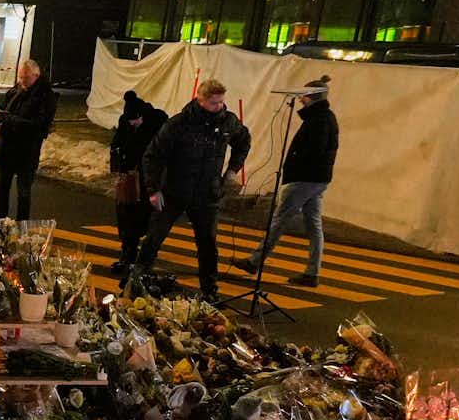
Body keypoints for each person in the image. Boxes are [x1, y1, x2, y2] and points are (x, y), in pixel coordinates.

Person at [125, 79, 251, 302]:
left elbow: (243, 140)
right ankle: (136, 279)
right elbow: (152, 156)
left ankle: (209, 290)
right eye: (214, 103)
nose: (220, 106)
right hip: (175, 190)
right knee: (154, 237)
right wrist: (153, 190)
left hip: (207, 193)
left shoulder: (227, 122)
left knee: (207, 243)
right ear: (200, 100)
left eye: (222, 102)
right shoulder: (179, 124)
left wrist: (232, 170)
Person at [241, 77, 339, 286]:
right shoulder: (326, 117)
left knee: (280, 219)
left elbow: (314, 149)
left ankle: (255, 261)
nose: (301, 100)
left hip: (304, 178)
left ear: (310, 97)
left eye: (304, 96)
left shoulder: (318, 120)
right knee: (313, 225)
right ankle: (312, 272)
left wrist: (294, 164)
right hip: (318, 179)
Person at [0, 59, 55, 222]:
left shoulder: (45, 95)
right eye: (20, 77)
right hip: (7, 150)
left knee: (23, 193)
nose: (22, 81)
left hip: (26, 152)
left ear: (36, 75)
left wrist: (11, 119)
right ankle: (0, 227)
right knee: (1, 190)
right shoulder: (16, 91)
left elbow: (39, 125)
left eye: (25, 78)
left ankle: (21, 231)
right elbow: (2, 108)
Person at [108, 89, 163, 270]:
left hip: (150, 179)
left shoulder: (157, 121)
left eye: (136, 120)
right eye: (130, 121)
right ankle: (127, 252)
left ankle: (145, 257)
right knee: (125, 215)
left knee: (147, 218)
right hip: (130, 177)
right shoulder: (125, 122)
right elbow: (116, 144)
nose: (133, 124)